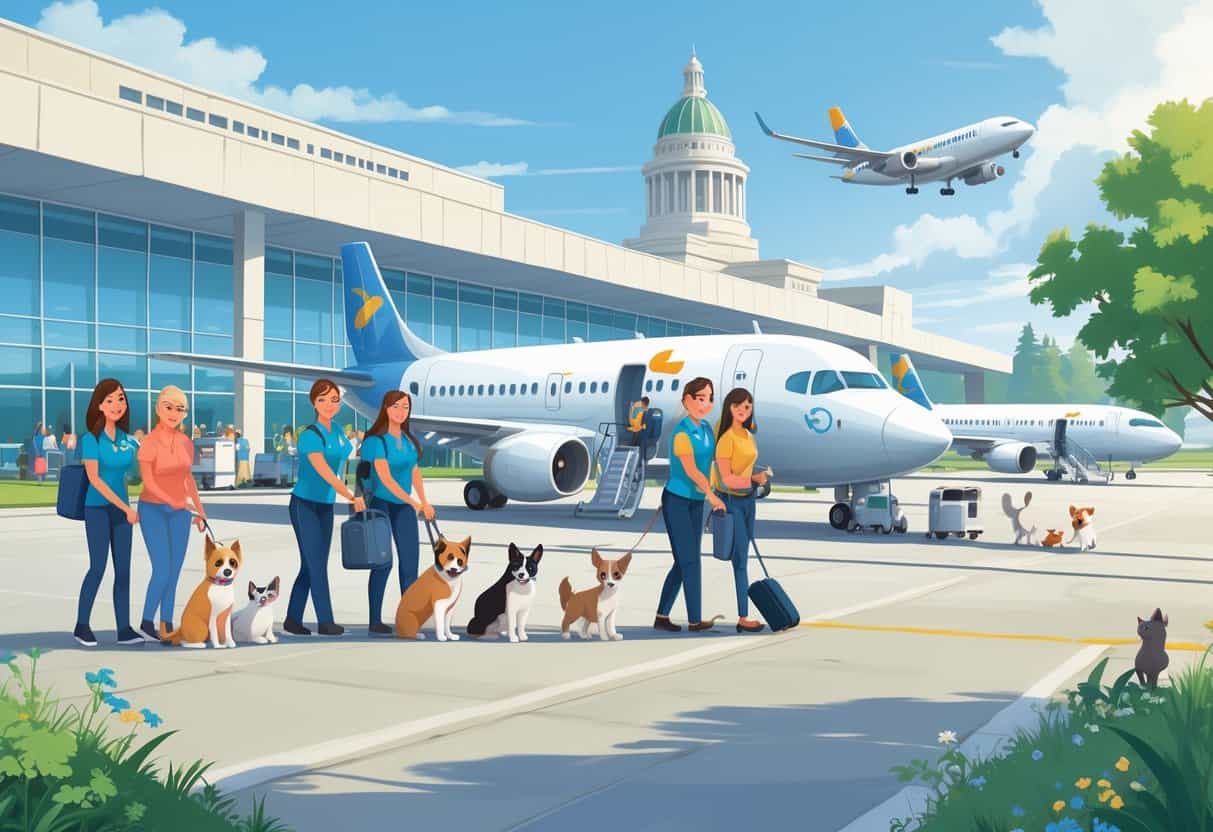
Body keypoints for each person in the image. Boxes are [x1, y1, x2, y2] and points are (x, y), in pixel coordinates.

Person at [284, 379, 363, 637]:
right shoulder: (309, 435)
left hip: (326, 506)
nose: (329, 404)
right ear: (313, 403)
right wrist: (349, 495)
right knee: (316, 565)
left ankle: (292, 619)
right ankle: (326, 621)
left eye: (334, 400)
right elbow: (326, 472)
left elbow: (348, 455)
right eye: (323, 400)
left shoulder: (338, 431)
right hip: (304, 504)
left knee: (311, 564)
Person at [74, 378, 143, 647]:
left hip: (121, 513)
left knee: (123, 571)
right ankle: (82, 625)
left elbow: (134, 477)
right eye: (110, 400)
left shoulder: (128, 440)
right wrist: (126, 507)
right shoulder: (90, 439)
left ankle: (124, 629)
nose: (117, 405)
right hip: (98, 509)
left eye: (121, 399)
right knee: (98, 567)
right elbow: (95, 479)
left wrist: (142, 454)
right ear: (99, 406)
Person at [360, 391, 435, 635]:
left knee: (410, 563)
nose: (401, 412)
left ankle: (407, 619)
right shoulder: (375, 442)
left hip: (404, 507)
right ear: (385, 408)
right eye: (396, 407)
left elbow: (414, 472)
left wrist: (425, 501)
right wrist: (413, 502)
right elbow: (385, 479)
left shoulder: (408, 441)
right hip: (380, 504)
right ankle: (374, 620)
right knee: (382, 563)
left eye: (405, 407)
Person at [654, 377, 725, 633]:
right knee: (691, 561)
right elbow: (691, 470)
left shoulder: (706, 429)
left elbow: (711, 463)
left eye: (709, 399)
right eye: (700, 398)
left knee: (683, 561)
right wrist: (712, 495)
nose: (706, 404)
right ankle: (695, 621)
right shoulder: (681, 433)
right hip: (677, 501)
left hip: (696, 502)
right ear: (686, 400)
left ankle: (661, 616)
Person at [138, 385, 206, 642]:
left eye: (180, 409)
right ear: (158, 408)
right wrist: (173, 500)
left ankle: (166, 623)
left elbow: (188, 479)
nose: (174, 413)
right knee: (162, 569)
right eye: (169, 407)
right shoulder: (149, 443)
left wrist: (200, 510)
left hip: (180, 513)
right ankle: (147, 621)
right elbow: (148, 482)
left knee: (175, 570)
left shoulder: (186, 443)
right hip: (153, 509)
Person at [712, 388, 769, 633]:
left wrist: (759, 478)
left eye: (747, 406)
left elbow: (746, 466)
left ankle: (743, 614)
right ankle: (743, 616)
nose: (743, 410)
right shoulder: (726, 440)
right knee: (740, 560)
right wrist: (753, 480)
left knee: (743, 556)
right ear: (730, 408)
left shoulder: (747, 435)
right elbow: (726, 479)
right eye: (738, 406)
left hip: (748, 501)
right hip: (732, 502)